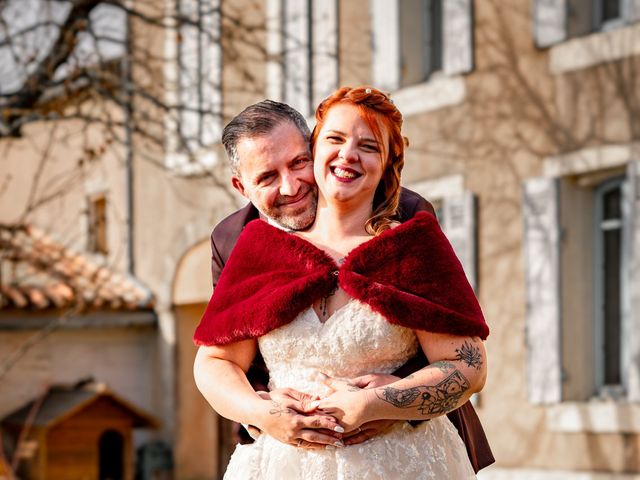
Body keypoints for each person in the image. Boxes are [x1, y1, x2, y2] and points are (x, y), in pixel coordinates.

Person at [194, 86, 490, 479]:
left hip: (399, 458)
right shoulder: (246, 244)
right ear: (242, 186)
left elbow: (466, 363)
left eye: (368, 146)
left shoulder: (411, 235)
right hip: (283, 459)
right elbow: (220, 359)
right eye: (335, 139)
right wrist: (262, 413)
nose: (290, 186)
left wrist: (384, 401)